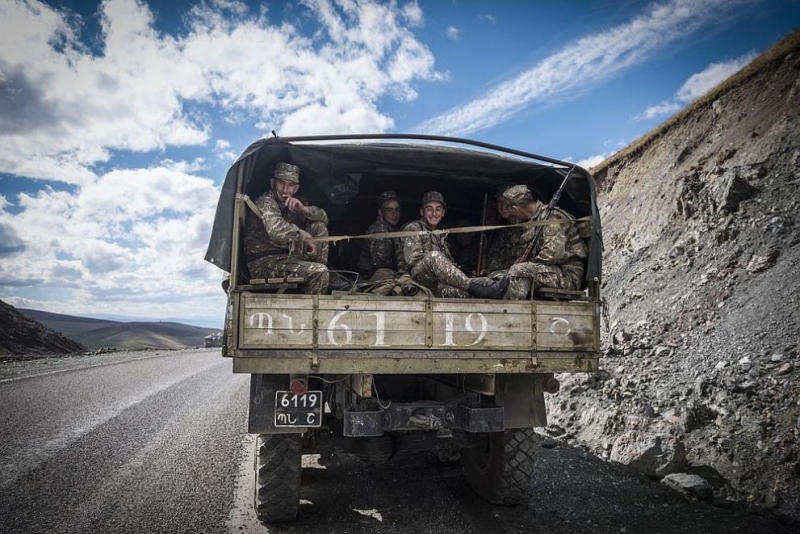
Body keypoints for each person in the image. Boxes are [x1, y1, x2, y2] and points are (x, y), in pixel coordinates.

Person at [401, 191, 508, 299]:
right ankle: (473, 287)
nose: (434, 213)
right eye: (429, 209)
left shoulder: (439, 234)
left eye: (438, 209)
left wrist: (454, 273)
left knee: (486, 282)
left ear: (443, 213)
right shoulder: (414, 228)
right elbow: (412, 260)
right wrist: (440, 265)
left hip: (440, 286)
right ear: (422, 212)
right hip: (421, 281)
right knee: (433, 256)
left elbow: (448, 265)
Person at [243, 162, 330, 294]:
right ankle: (310, 310)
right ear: (272, 183)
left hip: (288, 258)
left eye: (291, 185)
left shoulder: (294, 202)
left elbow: (324, 218)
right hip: (264, 263)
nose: (285, 190)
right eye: (281, 183)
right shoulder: (266, 201)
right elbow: (276, 231)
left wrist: (304, 209)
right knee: (320, 273)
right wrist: (303, 235)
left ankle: (320, 269)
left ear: (296, 189)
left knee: (319, 227)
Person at [502, 185, 587, 299]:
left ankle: (513, 310)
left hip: (568, 275)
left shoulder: (552, 216)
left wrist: (527, 264)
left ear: (515, 209)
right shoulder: (536, 221)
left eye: (512, 212)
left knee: (520, 270)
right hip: (551, 272)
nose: (513, 216)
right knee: (504, 274)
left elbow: (551, 254)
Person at [356, 190, 405, 276]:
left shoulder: (392, 228)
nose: (395, 214)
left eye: (397, 210)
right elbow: (380, 265)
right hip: (371, 278)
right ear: (380, 212)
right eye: (389, 210)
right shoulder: (380, 229)